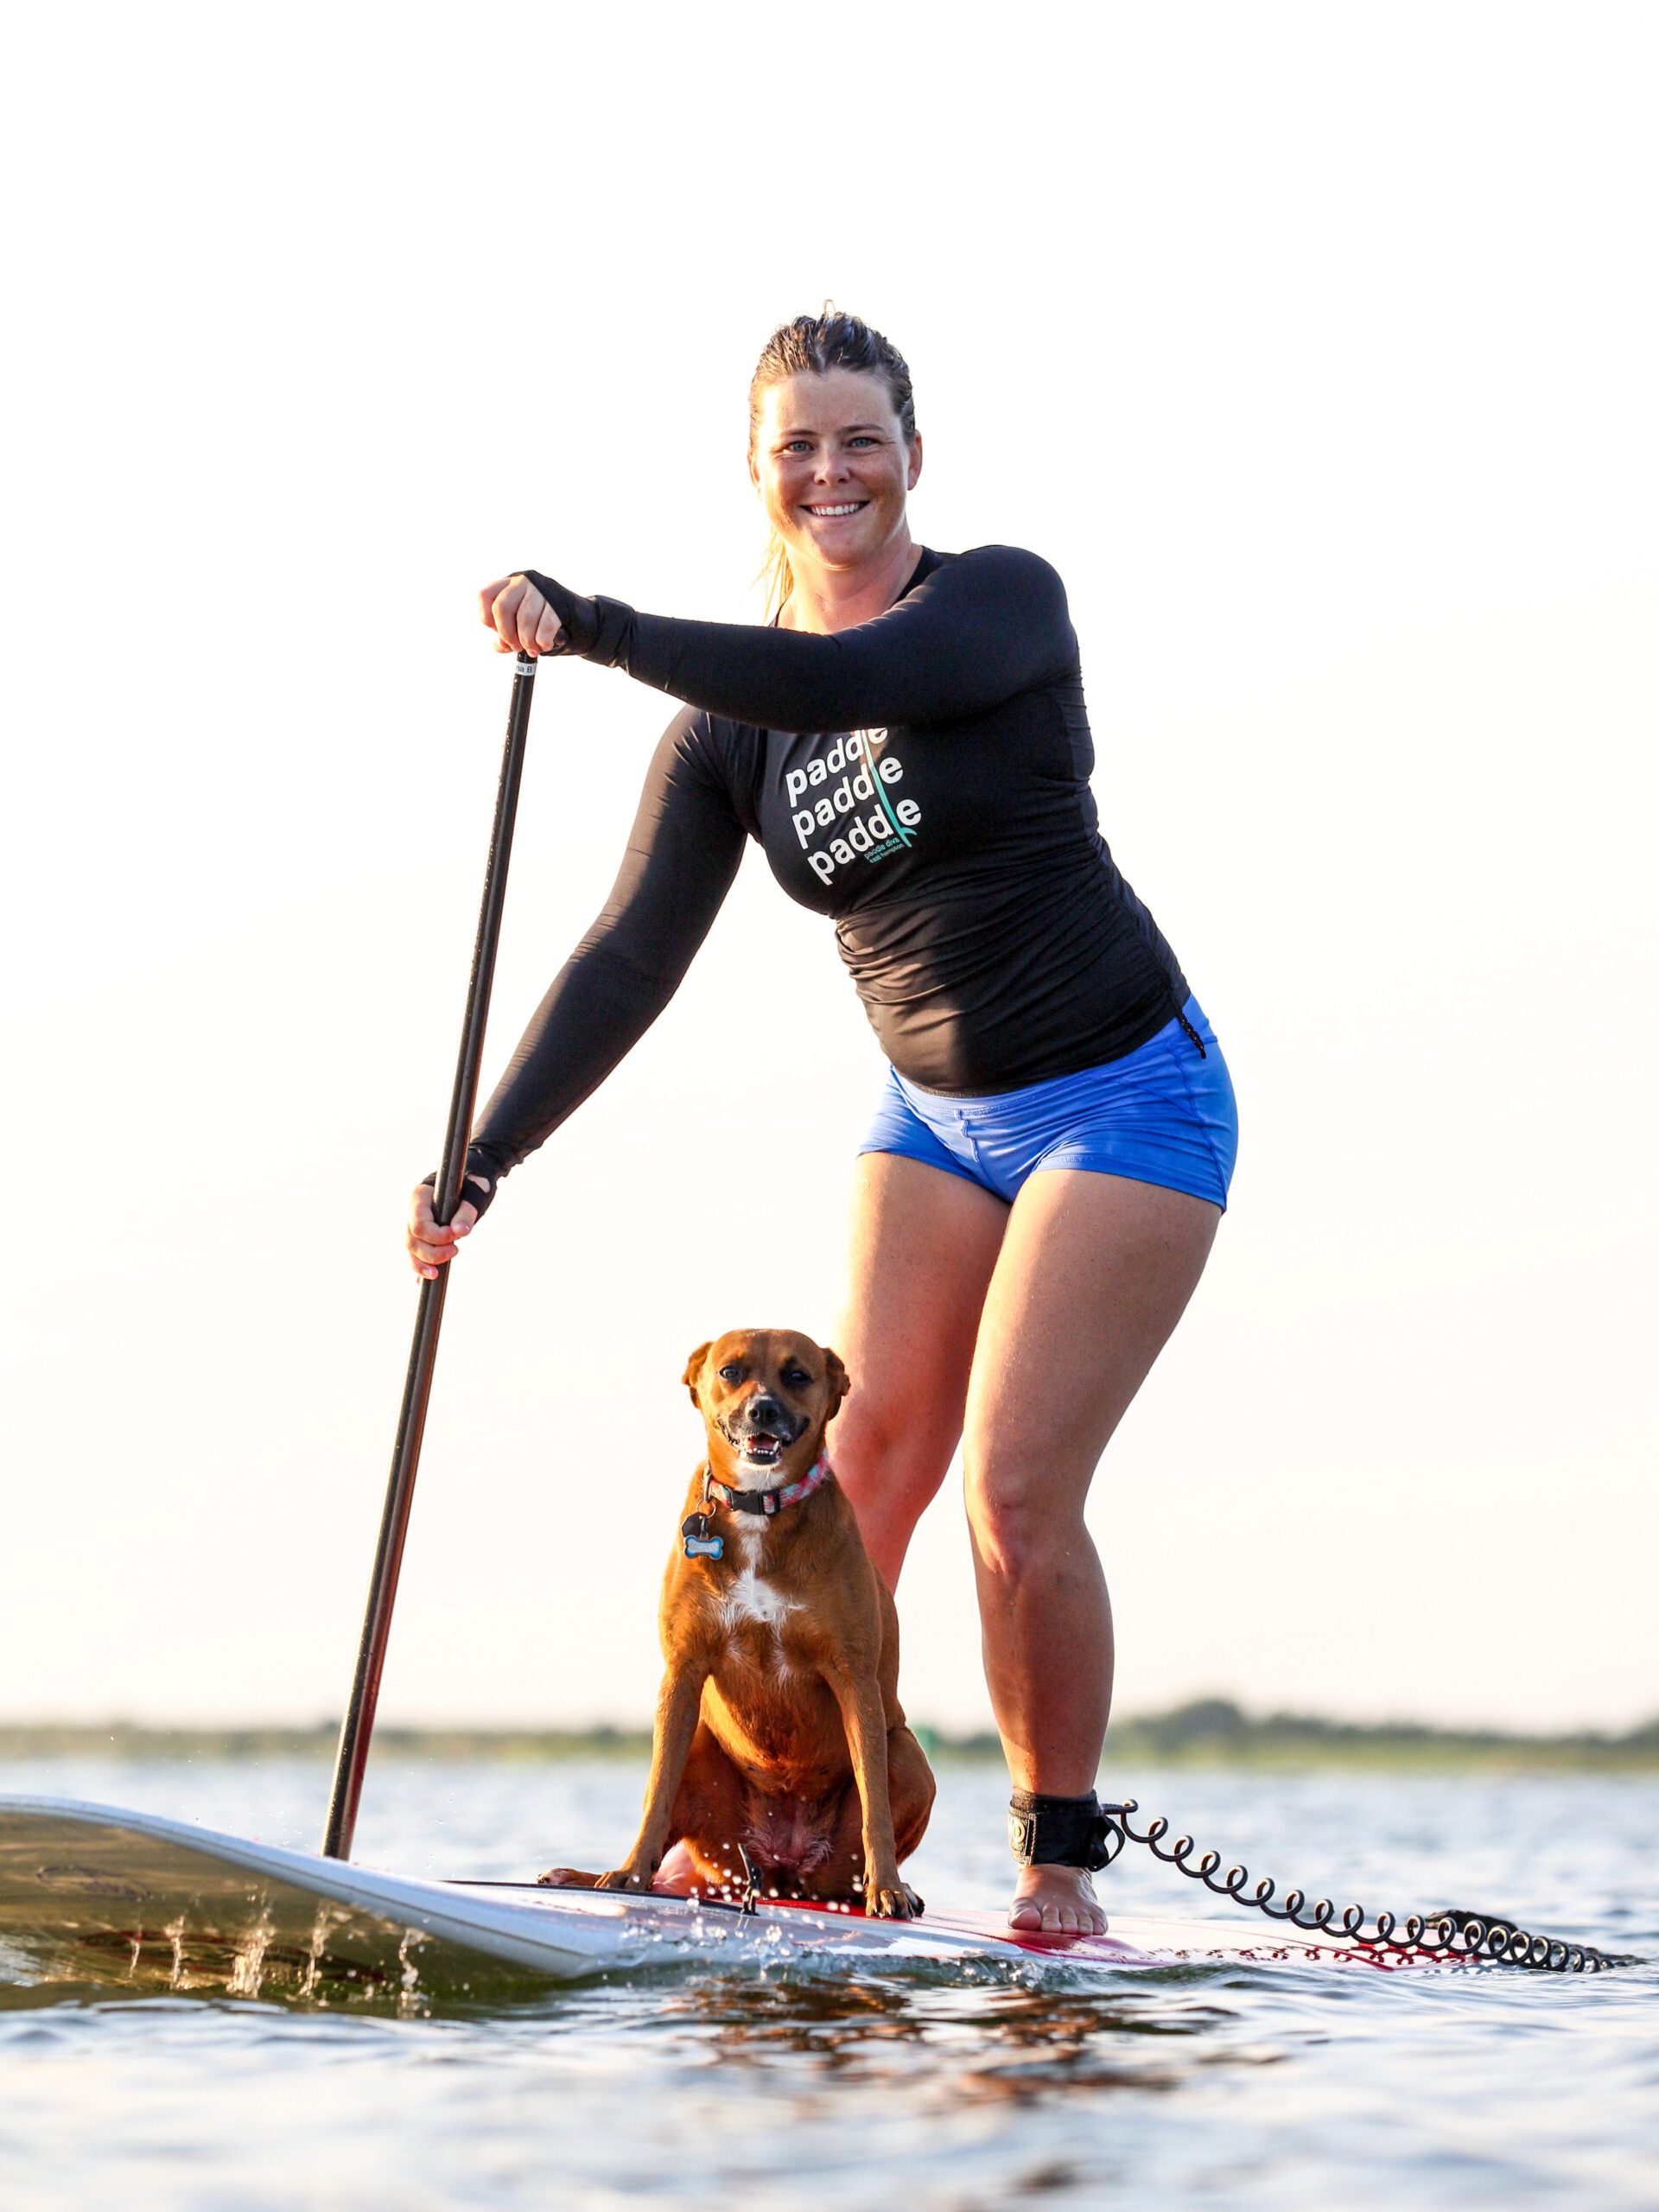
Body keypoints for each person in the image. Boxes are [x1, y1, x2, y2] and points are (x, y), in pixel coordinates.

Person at [407, 311, 1238, 1935]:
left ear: (913, 457)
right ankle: (786, 1832)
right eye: (798, 444)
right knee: (841, 1474)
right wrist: (485, 1153)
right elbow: (629, 955)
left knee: (1010, 1490)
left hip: (1124, 1091)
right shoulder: (728, 734)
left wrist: (600, 627)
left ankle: (1057, 1865)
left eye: (861, 439)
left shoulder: (997, 601)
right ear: (756, 471)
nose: (832, 470)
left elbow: (852, 674)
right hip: (932, 1116)